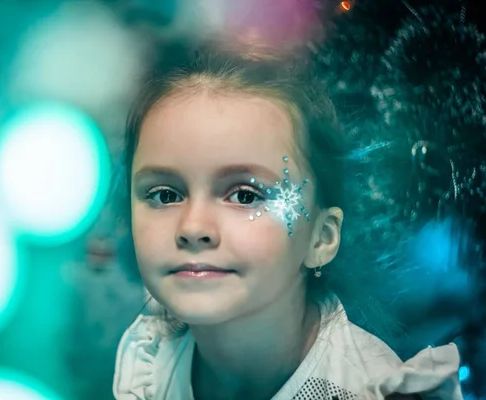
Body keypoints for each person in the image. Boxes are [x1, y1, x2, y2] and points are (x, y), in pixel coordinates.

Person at [112, 41, 464, 400]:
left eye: (246, 195)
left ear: (321, 238)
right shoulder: (153, 358)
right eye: (165, 195)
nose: (193, 228)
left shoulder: (359, 390)